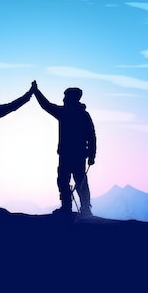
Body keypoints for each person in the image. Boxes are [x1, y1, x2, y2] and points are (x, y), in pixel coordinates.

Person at [31, 81, 96, 215]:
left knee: (66, 180)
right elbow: (92, 137)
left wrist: (36, 92)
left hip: (67, 154)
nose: (63, 99)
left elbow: (46, 105)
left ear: (71, 98)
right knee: (78, 182)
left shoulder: (65, 113)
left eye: (65, 97)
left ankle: (68, 207)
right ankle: (83, 209)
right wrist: (91, 155)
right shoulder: (83, 115)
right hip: (78, 155)